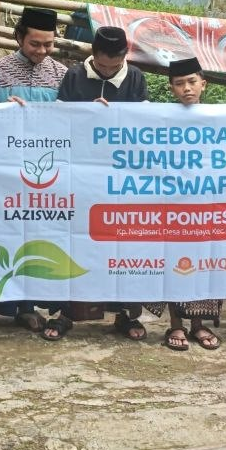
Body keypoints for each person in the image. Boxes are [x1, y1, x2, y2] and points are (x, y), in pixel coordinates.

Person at [46, 26, 150, 342]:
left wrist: (115, 117)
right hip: (80, 174)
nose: (106, 71)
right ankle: (66, 313)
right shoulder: (74, 76)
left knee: (120, 244)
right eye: (101, 65)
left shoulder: (136, 79)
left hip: (119, 179)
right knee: (76, 241)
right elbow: (57, 121)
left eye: (113, 67)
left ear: (124, 57)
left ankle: (125, 314)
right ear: (93, 55)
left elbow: (144, 127)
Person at [0, 6, 69, 332]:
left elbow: (70, 119)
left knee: (43, 235)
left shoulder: (61, 74)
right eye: (35, 44)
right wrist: (5, 110)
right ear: (19, 38)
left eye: (48, 44)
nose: (42, 51)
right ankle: (10, 304)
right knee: (9, 234)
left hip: (48, 172)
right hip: (7, 171)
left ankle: (35, 304)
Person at [161, 56, 223, 352]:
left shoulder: (219, 118)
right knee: (174, 262)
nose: (186, 88)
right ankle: (176, 324)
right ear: (171, 88)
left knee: (206, 262)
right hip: (173, 203)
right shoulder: (160, 118)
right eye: (179, 83)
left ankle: (199, 325)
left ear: (203, 84)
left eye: (192, 82)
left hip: (207, 202)